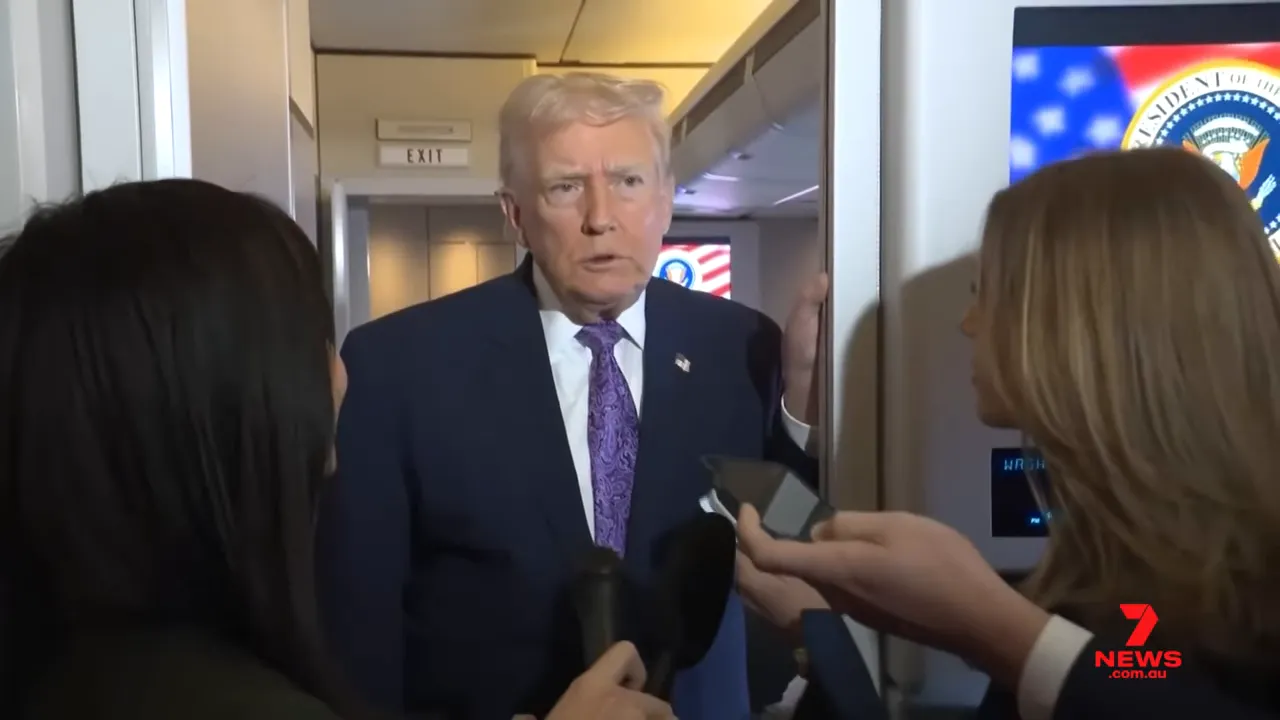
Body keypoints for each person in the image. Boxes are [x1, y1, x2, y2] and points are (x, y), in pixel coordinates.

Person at [0, 179, 674, 720]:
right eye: (308, 340)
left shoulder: (67, 663)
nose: (341, 374)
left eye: (629, 182)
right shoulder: (226, 698)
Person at [319, 71, 827, 720]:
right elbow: (360, 640)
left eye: (628, 182)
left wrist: (802, 405)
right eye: (565, 187)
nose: (601, 218)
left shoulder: (741, 344)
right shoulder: (397, 367)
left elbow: (786, 537)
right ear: (515, 214)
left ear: (665, 201)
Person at [734, 148, 1280, 719]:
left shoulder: (1248, 585)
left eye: (987, 292)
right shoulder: (1103, 558)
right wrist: (826, 632)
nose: (970, 323)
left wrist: (994, 629)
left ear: (1085, 321)